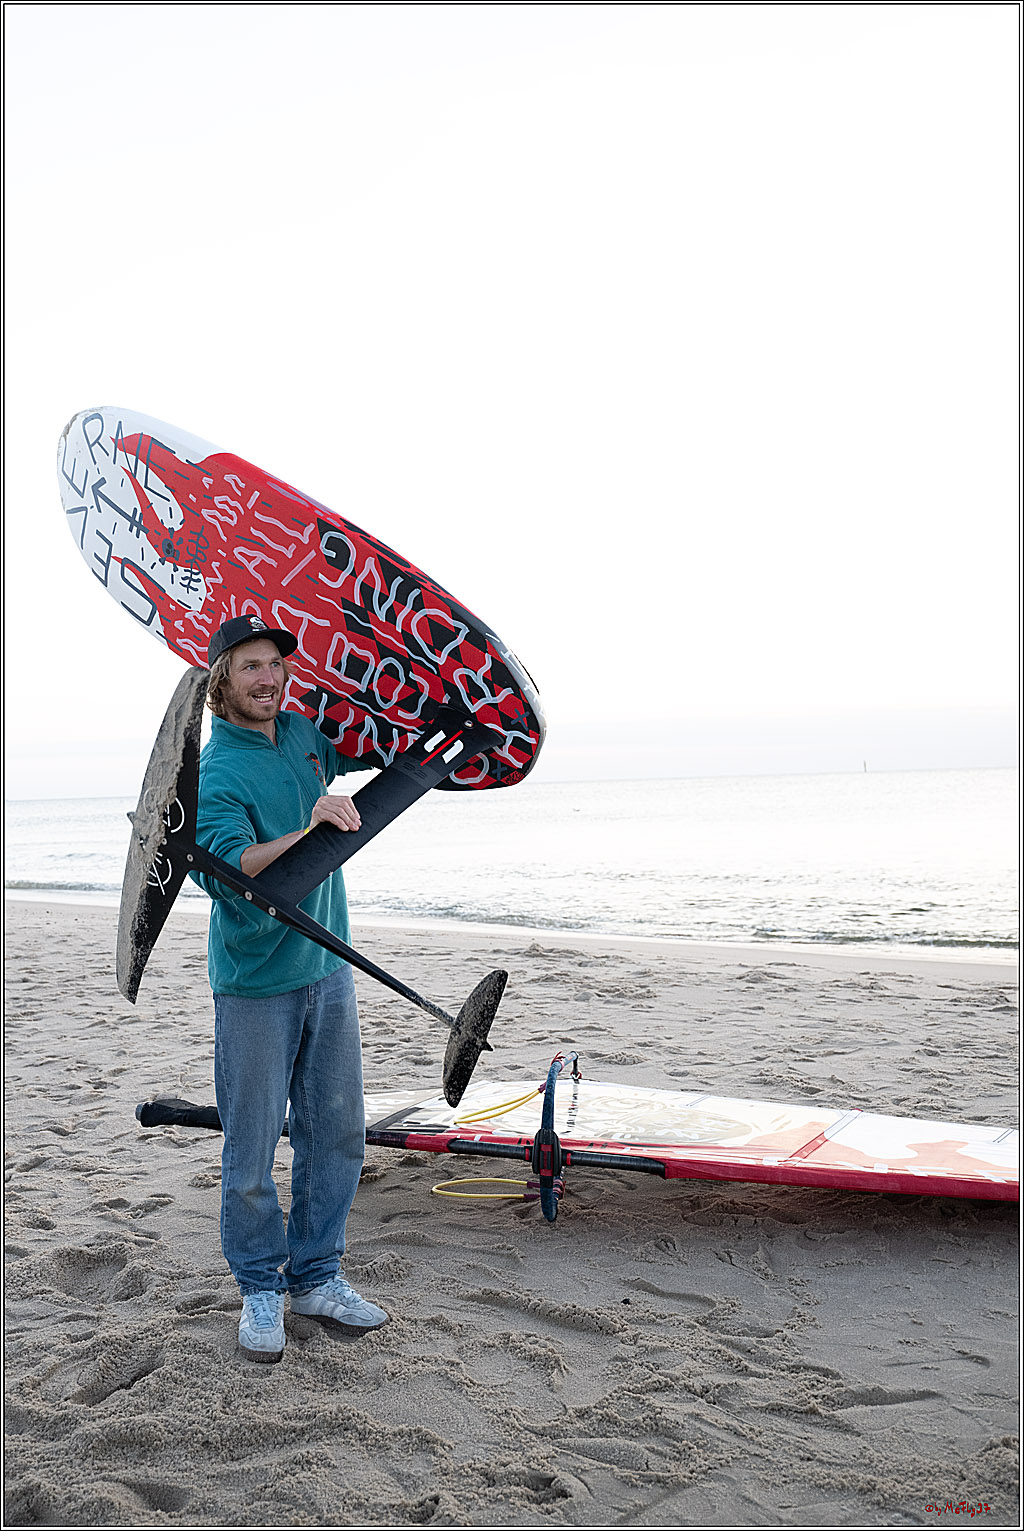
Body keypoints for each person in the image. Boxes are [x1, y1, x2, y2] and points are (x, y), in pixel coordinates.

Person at [193, 613, 388, 1362]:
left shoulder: (305, 734)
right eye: (250, 666)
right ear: (224, 681)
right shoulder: (217, 770)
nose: (267, 677)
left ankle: (316, 1276)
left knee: (336, 1131)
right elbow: (238, 866)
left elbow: (374, 741)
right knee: (251, 1147)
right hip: (256, 981)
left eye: (274, 664)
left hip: (328, 968)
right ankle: (260, 1288)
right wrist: (311, 824)